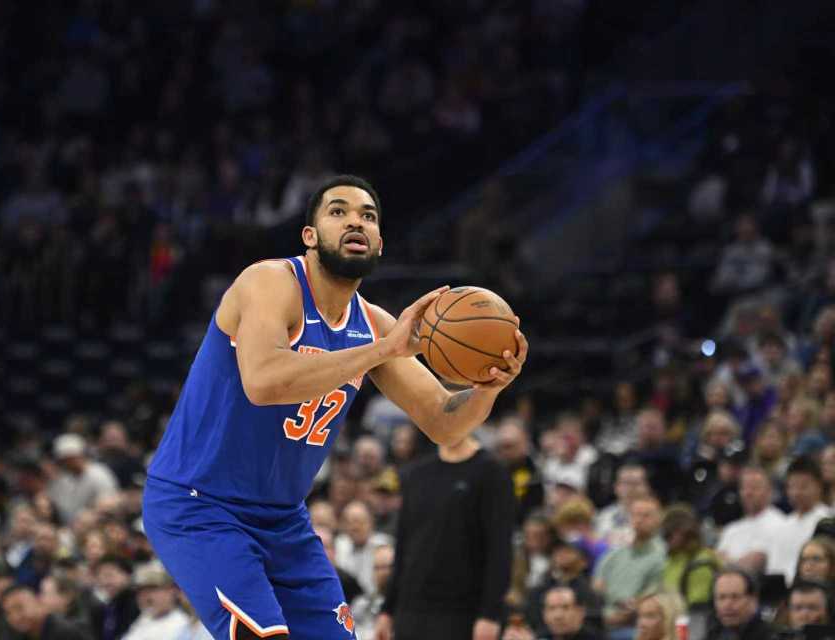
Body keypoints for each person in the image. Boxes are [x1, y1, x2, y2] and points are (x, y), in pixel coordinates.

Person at [143, 174, 529, 640]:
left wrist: (488, 387)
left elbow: (444, 423)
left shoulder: (374, 324)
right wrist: (383, 350)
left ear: (379, 243)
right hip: (200, 504)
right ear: (310, 236)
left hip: (283, 519)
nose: (355, 222)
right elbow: (263, 382)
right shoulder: (270, 282)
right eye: (338, 211)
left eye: (368, 216)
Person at [376, 434, 514, 640]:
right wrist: (387, 609)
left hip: (463, 611)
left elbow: (499, 549)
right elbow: (403, 547)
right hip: (410, 609)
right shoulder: (416, 473)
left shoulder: (492, 472)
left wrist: (490, 613)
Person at [593, 496, 666, 640]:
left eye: (646, 515)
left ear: (658, 520)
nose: (639, 520)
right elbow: (597, 588)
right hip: (603, 620)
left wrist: (622, 615)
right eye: (635, 515)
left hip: (636, 624)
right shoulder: (614, 554)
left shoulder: (662, 556)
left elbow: (652, 597)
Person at [768, 457, 833, 583]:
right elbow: (773, 568)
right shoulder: (781, 525)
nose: (796, 493)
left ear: (819, 486)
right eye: (792, 486)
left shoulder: (827, 522)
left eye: (803, 486)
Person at [717, 465, 786, 573]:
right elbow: (716, 562)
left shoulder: (779, 523)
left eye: (754, 487)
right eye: (744, 488)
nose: (748, 493)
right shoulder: (731, 529)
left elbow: (753, 563)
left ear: (769, 491)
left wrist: (727, 561)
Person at [502, 585, 601, 640]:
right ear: (544, 614)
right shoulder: (540, 636)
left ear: (580, 612)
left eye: (565, 607)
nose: (558, 615)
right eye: (551, 608)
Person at [1, 583, 93, 639]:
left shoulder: (68, 632)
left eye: (19, 608)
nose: (15, 617)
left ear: (38, 602)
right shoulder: (16, 635)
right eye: (8, 613)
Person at [704, 569, 773, 640]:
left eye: (735, 597)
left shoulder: (770, 636)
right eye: (721, 597)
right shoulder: (712, 634)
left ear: (753, 601)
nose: (727, 605)